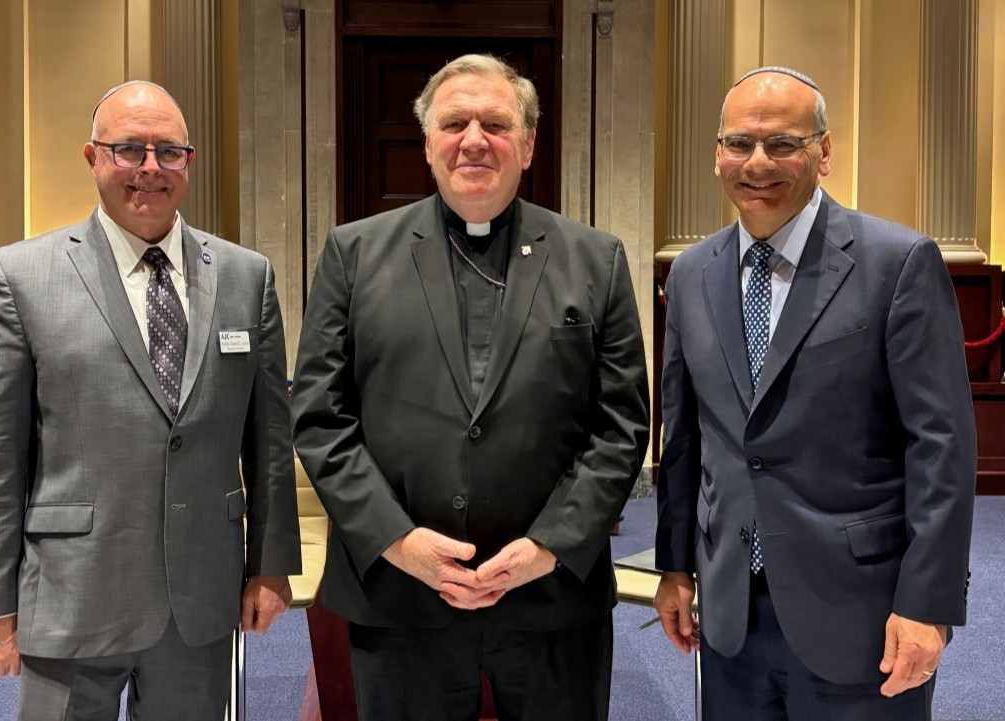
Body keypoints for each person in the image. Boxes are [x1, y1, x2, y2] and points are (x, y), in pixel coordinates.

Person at [290, 54, 650, 721]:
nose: (475, 140)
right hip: (399, 597)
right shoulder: (353, 254)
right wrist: (399, 541)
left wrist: (549, 546)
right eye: (455, 123)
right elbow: (319, 417)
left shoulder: (595, 260)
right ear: (428, 144)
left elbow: (621, 426)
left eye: (496, 124)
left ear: (529, 145)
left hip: (552, 600)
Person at [0, 80, 300, 721]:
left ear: (188, 161)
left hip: (201, 597)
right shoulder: (21, 278)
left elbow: (270, 442)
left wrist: (271, 565)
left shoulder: (246, 276)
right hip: (72, 594)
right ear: (92, 157)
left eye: (169, 152)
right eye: (129, 150)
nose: (150, 169)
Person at [653, 66, 976, 720]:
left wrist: (928, 603)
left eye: (783, 143)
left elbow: (940, 447)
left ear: (823, 151)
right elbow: (685, 436)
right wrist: (675, 565)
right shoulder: (690, 273)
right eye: (739, 143)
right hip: (729, 611)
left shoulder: (897, 262)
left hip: (861, 612)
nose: (758, 163)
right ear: (717, 154)